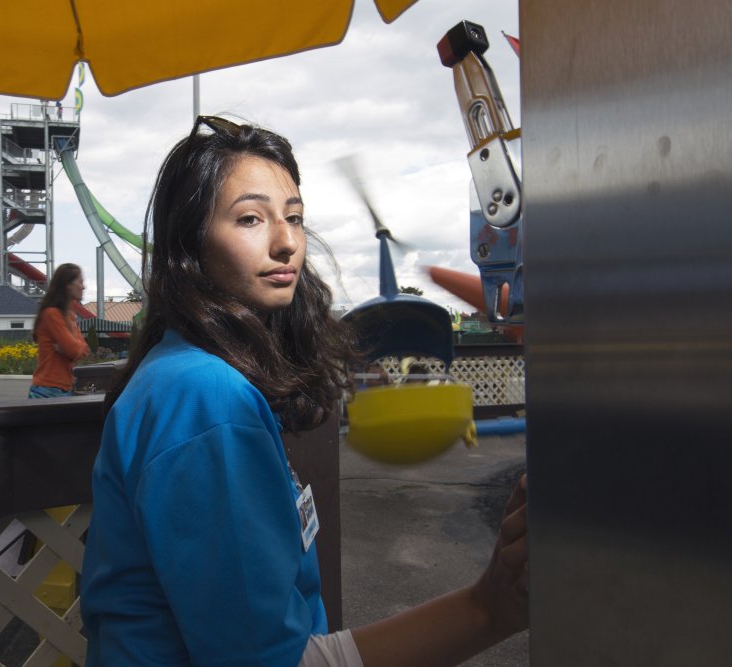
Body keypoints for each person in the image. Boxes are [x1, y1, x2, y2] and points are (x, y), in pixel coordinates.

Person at [80, 117, 528, 666]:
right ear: (189, 245)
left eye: (294, 218)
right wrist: (490, 606)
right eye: (250, 218)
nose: (287, 241)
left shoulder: (180, 374)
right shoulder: (206, 398)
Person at [28, 263, 89, 398]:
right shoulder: (52, 314)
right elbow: (73, 350)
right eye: (80, 282)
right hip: (47, 390)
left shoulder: (69, 316)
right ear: (67, 285)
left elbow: (84, 351)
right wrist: (73, 349)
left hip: (64, 389)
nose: (83, 287)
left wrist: (72, 349)